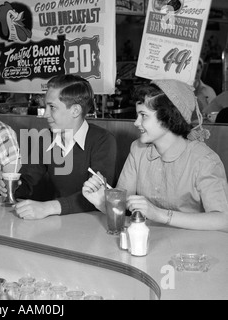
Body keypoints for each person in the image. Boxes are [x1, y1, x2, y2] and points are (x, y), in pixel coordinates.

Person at [83, 79, 228, 232]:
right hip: (148, 242)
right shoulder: (138, 149)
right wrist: (102, 202)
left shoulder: (204, 160)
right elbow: (123, 208)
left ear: (169, 116)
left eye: (143, 115)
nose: (136, 123)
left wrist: (159, 214)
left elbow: (223, 220)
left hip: (193, 250)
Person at [0, 74, 117, 220]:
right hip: (59, 222)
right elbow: (28, 181)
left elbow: (97, 195)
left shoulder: (103, 140)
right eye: (45, 106)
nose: (45, 114)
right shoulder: (46, 138)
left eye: (52, 107)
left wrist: (48, 207)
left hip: (93, 223)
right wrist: (11, 187)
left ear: (75, 110)